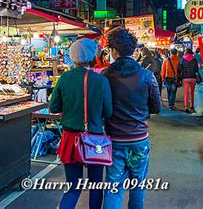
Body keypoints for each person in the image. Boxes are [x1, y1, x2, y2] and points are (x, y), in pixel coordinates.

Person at [49, 38, 113, 209]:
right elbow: (108, 112)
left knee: (73, 188)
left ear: (73, 57)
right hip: (95, 139)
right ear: (92, 56)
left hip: (70, 139)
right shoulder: (101, 81)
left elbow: (54, 107)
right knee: (96, 187)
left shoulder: (65, 78)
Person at [102, 27, 161, 209]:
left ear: (113, 51)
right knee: (138, 186)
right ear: (134, 50)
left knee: (113, 188)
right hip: (138, 140)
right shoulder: (146, 75)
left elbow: (101, 108)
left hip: (114, 140)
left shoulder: (105, 75)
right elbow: (156, 107)